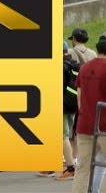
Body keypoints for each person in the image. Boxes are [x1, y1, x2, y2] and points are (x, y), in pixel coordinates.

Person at [72, 31, 106, 193]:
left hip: (85, 125)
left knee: (82, 167)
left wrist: (85, 116)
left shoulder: (85, 68)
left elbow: (80, 98)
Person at [43, 41, 82, 180]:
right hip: (73, 105)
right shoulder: (74, 64)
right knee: (62, 135)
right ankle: (49, 167)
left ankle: (70, 168)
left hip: (61, 105)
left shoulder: (60, 66)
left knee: (62, 136)